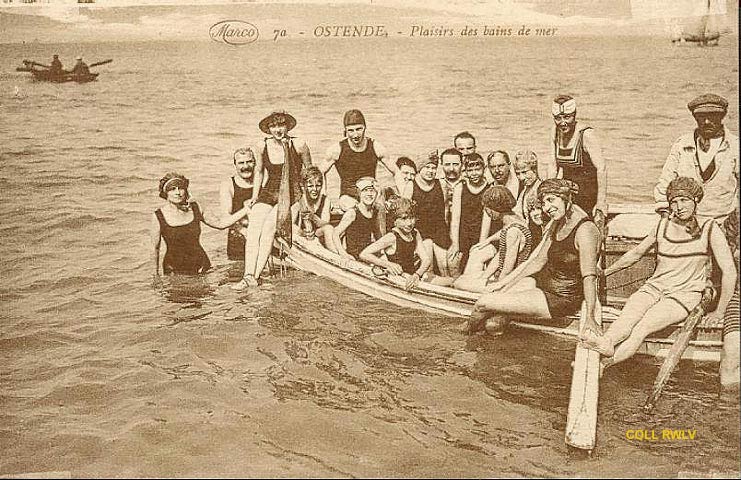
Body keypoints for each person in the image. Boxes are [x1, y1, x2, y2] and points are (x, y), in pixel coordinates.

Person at [581, 177, 737, 370]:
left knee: (642, 326)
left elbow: (729, 271)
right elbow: (636, 253)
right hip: (654, 288)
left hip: (684, 296)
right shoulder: (662, 225)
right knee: (627, 317)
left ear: (696, 201)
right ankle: (606, 344)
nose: (679, 207)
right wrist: (605, 272)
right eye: (674, 202)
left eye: (684, 200)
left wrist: (719, 311)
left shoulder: (710, 228)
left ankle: (604, 364)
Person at [467, 179, 601, 336]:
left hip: (559, 299)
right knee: (493, 324)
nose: (547, 208)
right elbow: (537, 262)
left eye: (551, 200)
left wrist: (591, 317)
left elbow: (589, 277)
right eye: (543, 203)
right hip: (540, 284)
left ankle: (463, 336)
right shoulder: (558, 221)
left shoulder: (585, 230)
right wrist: (503, 283)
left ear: (567, 197)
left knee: (482, 304)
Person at [234, 111, 312, 289]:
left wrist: (307, 203)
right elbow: (259, 172)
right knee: (255, 225)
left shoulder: (299, 144)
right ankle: (247, 275)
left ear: (288, 126)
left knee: (269, 227)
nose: (278, 129)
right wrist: (255, 196)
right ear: (268, 128)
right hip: (269, 191)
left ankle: (256, 275)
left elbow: (309, 173)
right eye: (274, 126)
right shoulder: (261, 146)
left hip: (291, 194)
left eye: (281, 125)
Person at [653, 94, 739, 224]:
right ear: (695, 118)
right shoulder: (682, 144)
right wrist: (665, 215)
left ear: (722, 116)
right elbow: (665, 181)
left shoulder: (735, 146)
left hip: (724, 221)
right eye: (701, 117)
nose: (706, 122)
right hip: (685, 222)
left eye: (713, 116)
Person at [151, 172, 252, 276]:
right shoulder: (159, 216)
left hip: (201, 265)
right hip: (173, 269)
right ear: (165, 193)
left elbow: (221, 224)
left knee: (207, 292)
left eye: (180, 188)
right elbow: (155, 248)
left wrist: (246, 210)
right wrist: (155, 276)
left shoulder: (196, 207)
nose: (178, 193)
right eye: (172, 189)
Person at [453, 185, 533, 293]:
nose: (486, 212)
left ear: (493, 209)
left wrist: (497, 288)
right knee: (465, 278)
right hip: (503, 277)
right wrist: (483, 278)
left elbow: (507, 268)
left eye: (487, 209)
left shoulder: (512, 232)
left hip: (509, 282)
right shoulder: (516, 220)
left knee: (459, 283)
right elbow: (501, 254)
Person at [542, 95, 608, 222]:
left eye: (567, 117)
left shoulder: (586, 134)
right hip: (568, 193)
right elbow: (552, 165)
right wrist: (548, 193)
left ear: (575, 115)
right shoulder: (555, 132)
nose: (562, 122)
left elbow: (602, 168)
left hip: (589, 195)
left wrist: (601, 202)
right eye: (558, 118)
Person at [320, 109, 398, 212]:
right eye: (351, 131)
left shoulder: (375, 147)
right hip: (348, 196)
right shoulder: (336, 149)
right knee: (355, 208)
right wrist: (324, 199)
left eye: (358, 129)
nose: (355, 135)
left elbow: (396, 172)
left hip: (371, 193)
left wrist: (405, 196)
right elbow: (320, 172)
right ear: (345, 131)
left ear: (365, 128)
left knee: (379, 207)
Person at [360, 197, 432, 291]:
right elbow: (364, 254)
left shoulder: (415, 233)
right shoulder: (392, 237)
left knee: (452, 282)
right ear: (394, 221)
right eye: (404, 219)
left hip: (414, 275)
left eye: (412, 218)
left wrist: (417, 275)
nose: (409, 223)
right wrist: (388, 264)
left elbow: (426, 259)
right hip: (401, 277)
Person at [411, 152, 451, 276]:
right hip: (420, 231)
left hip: (439, 229)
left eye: (433, 167)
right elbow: (405, 212)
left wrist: (447, 231)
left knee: (445, 264)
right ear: (419, 169)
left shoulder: (442, 184)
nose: (430, 171)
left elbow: (445, 209)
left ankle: (448, 285)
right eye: (427, 167)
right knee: (428, 266)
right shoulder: (411, 185)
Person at [448, 153, 488, 272]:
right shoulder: (460, 187)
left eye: (477, 169)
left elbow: (487, 220)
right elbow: (455, 219)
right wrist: (455, 243)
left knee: (476, 264)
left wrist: (481, 246)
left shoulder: (489, 188)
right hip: (463, 234)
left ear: (484, 169)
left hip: (481, 233)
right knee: (455, 263)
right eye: (470, 170)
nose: (474, 173)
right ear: (465, 172)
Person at [333, 177, 383, 260]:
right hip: (355, 255)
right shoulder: (353, 213)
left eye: (372, 190)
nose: (369, 194)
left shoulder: (374, 212)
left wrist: (382, 251)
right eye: (365, 190)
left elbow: (378, 234)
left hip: (368, 252)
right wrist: (342, 253)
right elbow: (335, 233)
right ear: (359, 193)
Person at [219, 147, 255, 261]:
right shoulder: (228, 185)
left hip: (262, 237)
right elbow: (225, 218)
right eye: (241, 163)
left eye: (249, 162)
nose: (245, 166)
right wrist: (245, 231)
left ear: (255, 163)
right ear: (235, 165)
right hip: (239, 237)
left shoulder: (263, 181)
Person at [292, 166, 338, 253]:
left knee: (328, 228)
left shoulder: (325, 200)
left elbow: (325, 222)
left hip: (317, 234)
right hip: (302, 235)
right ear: (304, 186)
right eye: (310, 186)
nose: (315, 189)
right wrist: (302, 233)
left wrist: (313, 217)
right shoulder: (298, 202)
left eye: (318, 185)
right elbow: (290, 225)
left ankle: (336, 256)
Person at [718, 207, 739, 391]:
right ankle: (728, 411)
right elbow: (716, 253)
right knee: (730, 361)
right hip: (738, 297)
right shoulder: (736, 218)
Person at [513, 150, 542, 221]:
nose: (521, 177)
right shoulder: (524, 192)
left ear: (534, 170)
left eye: (524, 172)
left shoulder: (541, 189)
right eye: (518, 174)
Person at [440, 148, 464, 225]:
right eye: (447, 164)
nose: (451, 169)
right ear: (441, 165)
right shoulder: (437, 184)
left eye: (455, 164)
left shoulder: (469, 183)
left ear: (462, 164)